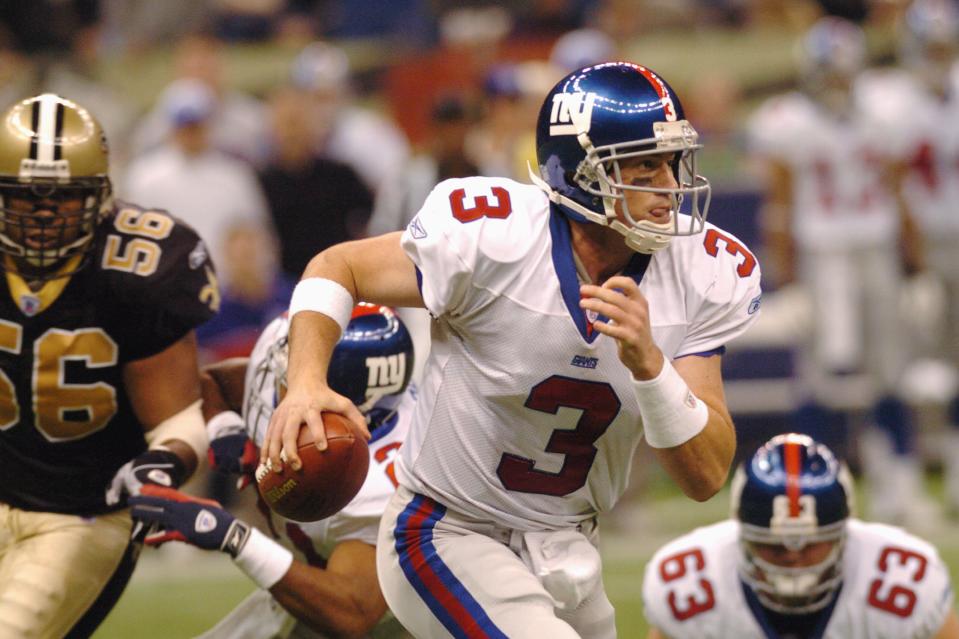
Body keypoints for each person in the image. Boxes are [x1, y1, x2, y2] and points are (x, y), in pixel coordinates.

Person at [264, 61, 763, 637]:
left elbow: (705, 475)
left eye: (672, 162)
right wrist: (305, 381)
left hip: (569, 544)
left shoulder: (704, 271)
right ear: (583, 172)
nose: (669, 187)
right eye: (644, 165)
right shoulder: (493, 237)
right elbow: (337, 266)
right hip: (447, 533)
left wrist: (653, 371)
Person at [0, 94, 217, 637]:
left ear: (99, 197)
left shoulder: (138, 267)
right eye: (26, 200)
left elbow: (177, 418)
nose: (44, 218)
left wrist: (163, 463)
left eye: (65, 199)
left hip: (83, 513)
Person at [129, 304, 416, 638]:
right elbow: (216, 382)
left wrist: (233, 537)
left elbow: (352, 613)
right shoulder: (343, 407)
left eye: (295, 373)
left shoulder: (380, 488)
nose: (277, 377)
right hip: (308, 594)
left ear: (341, 403)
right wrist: (226, 429)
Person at [746, 16, 927, 524]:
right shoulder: (788, 122)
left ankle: (899, 484)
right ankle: (812, 486)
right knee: (823, 375)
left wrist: (912, 266)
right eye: (828, 73)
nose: (837, 83)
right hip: (823, 255)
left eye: (843, 72)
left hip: (875, 247)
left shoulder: (884, 114)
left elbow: (898, 191)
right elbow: (779, 209)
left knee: (891, 371)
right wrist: (788, 280)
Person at [642, 433, 959, 639]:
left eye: (810, 543)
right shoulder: (692, 581)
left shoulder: (902, 578)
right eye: (774, 545)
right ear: (744, 535)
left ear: (842, 534)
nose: (793, 556)